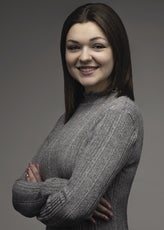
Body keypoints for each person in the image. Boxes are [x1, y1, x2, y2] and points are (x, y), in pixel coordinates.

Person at [12, 3, 144, 230]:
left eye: (98, 46)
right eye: (73, 47)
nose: (84, 57)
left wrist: (44, 192)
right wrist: (57, 187)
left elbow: (74, 208)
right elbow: (18, 194)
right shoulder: (66, 119)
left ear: (117, 51)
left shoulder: (121, 114)